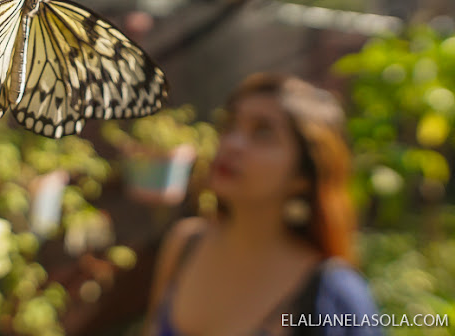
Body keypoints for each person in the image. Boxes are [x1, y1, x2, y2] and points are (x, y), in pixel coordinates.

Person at [143, 73, 382, 336]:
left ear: (303, 175)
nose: (232, 144)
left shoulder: (332, 292)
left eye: (263, 133)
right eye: (230, 125)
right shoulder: (184, 244)